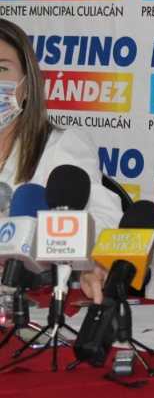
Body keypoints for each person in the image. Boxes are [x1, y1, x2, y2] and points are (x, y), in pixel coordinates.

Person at [0, 18, 122, 301]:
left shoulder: (61, 146)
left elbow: (104, 221)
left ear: (27, 86)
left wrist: (93, 261)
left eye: (1, 68)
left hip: (33, 304)